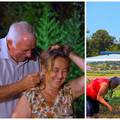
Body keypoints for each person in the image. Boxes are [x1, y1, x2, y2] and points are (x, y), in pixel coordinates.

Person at [12, 46, 85, 118]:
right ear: (44, 69)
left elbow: (94, 72)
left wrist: (69, 53)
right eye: (55, 70)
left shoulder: (69, 90)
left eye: (64, 71)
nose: (60, 76)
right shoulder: (31, 96)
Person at [0, 21, 41, 117]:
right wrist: (21, 85)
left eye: (32, 49)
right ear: (10, 43)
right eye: (25, 50)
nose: (30, 55)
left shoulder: (36, 56)